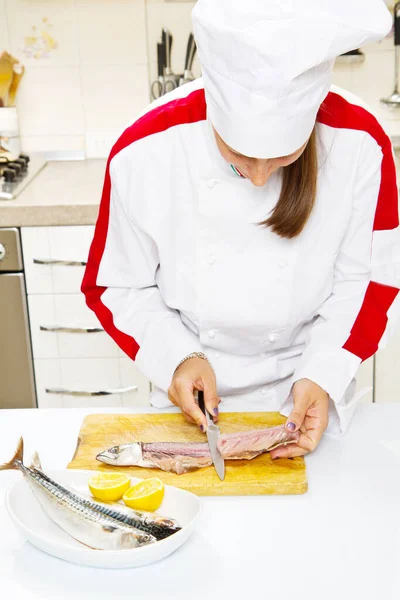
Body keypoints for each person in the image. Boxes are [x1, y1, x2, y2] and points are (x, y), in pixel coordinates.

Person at [82, 0, 400, 459]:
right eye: (238, 157)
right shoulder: (145, 150)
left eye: (282, 157)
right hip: (185, 404)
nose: (258, 178)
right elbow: (115, 284)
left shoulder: (359, 144)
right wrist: (176, 358)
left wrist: (324, 372)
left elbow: (368, 280)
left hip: (310, 397)